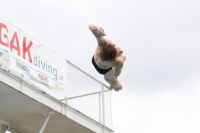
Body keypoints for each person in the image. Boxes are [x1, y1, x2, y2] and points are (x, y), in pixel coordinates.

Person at [89, 24, 126, 92]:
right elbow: (116, 74)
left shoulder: (102, 43)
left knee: (108, 78)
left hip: (96, 61)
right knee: (110, 78)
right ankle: (118, 87)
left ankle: (116, 85)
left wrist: (96, 29)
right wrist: (114, 81)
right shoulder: (117, 62)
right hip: (103, 69)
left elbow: (90, 27)